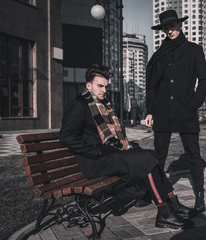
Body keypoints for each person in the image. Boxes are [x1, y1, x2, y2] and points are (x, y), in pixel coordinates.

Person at [59, 64, 194, 229]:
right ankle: (164, 212)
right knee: (146, 159)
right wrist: (95, 151)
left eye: (105, 87)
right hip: (93, 162)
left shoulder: (104, 107)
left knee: (151, 155)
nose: (103, 90)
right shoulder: (79, 106)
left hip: (108, 156)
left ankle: (171, 202)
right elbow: (65, 136)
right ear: (89, 85)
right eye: (99, 86)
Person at [145, 10, 206, 213]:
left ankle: (199, 195)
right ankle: (155, 194)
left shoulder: (194, 50)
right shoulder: (159, 54)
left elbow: (204, 80)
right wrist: (150, 111)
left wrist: (193, 105)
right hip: (163, 111)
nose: (170, 30)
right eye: (166, 27)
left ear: (180, 25)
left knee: (193, 154)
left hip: (186, 110)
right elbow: (152, 85)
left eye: (173, 26)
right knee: (159, 155)